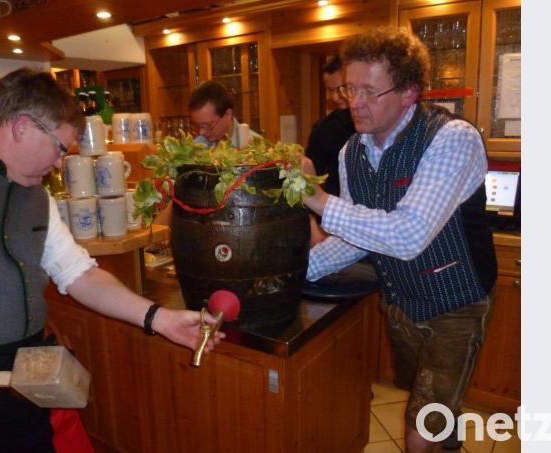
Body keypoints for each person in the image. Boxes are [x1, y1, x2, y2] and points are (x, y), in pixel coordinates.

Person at [0, 68, 223, 452]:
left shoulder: (37, 196)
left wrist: (160, 319)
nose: (60, 163)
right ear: (23, 127)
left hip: (23, 379)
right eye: (60, 148)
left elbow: (80, 275)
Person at [301, 27, 497, 453]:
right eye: (350, 88)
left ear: (409, 92)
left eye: (369, 92)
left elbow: (408, 236)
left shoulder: (451, 139)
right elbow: (359, 237)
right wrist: (298, 270)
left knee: (418, 429)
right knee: (427, 402)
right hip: (402, 303)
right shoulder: (351, 151)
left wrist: (318, 200)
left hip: (456, 304)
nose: (354, 102)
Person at [304, 54, 357, 246]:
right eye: (330, 90)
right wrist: (313, 226)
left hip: (364, 223)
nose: (335, 97)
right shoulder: (324, 129)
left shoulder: (373, 126)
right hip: (328, 223)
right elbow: (308, 180)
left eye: (341, 89)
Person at [188, 80, 261, 148]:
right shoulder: (198, 146)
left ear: (228, 114)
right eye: (197, 126)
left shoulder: (256, 147)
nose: (201, 132)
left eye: (207, 125)